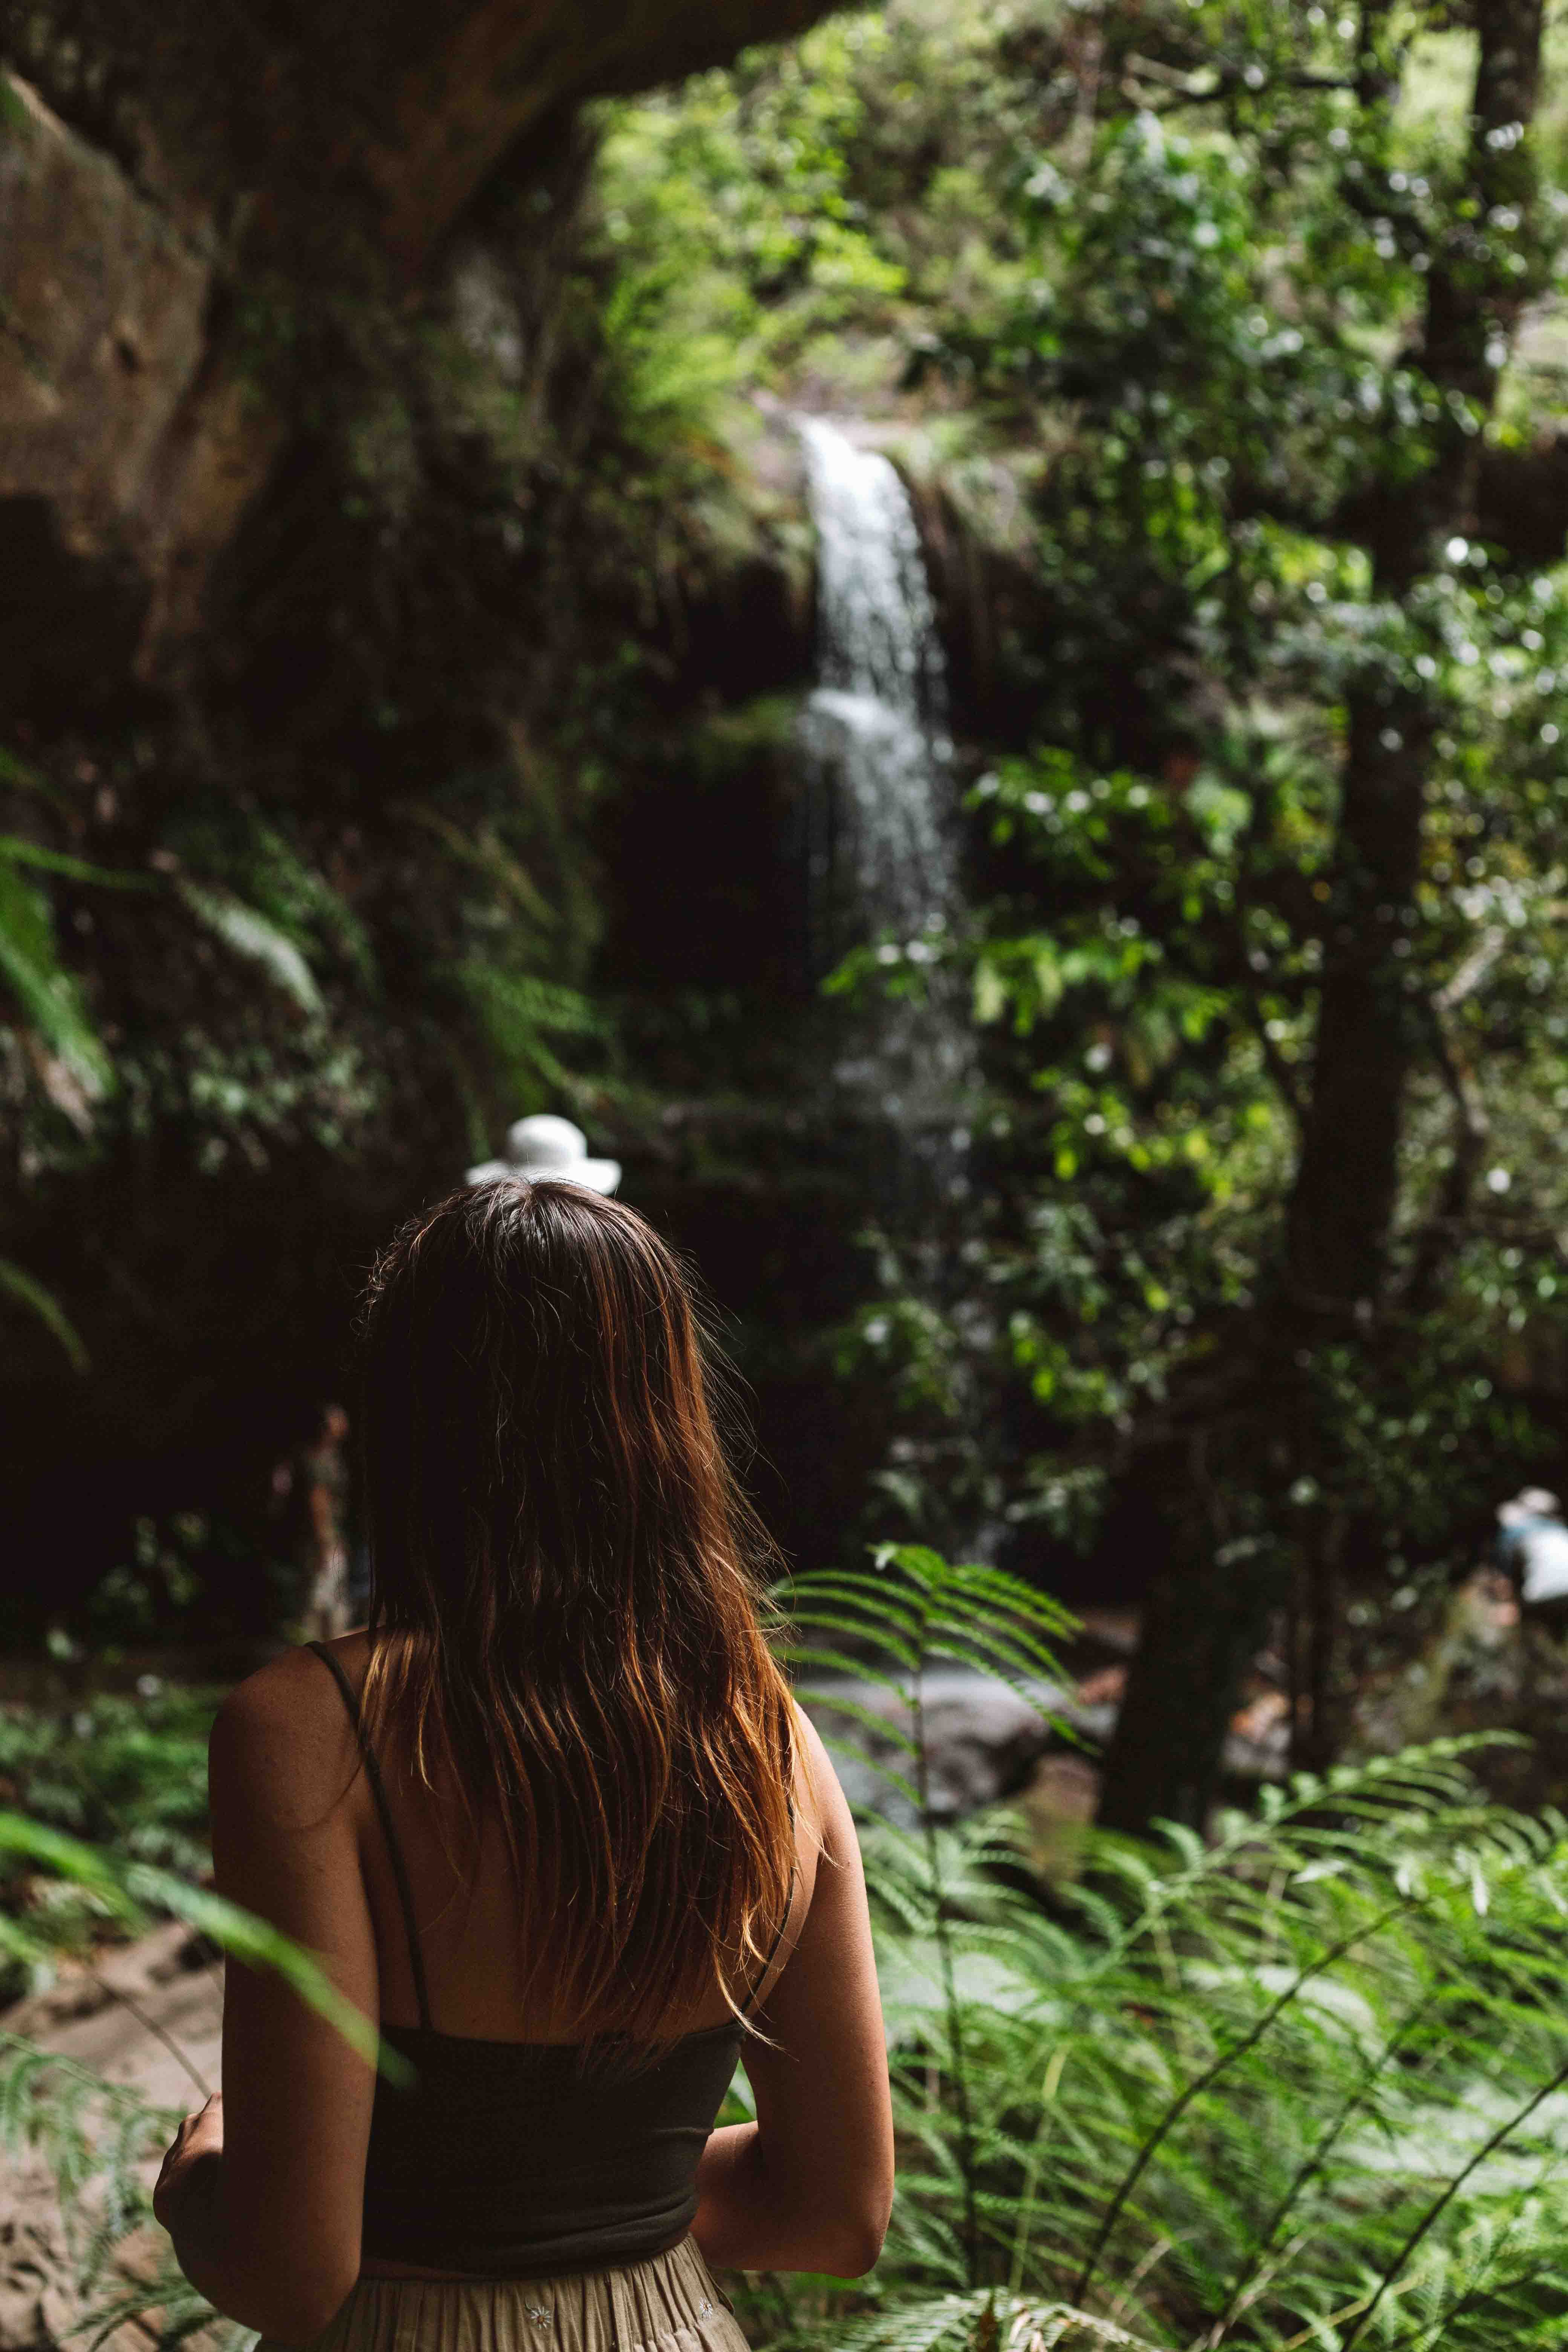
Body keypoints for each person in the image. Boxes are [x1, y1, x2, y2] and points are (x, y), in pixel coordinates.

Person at [152, 1179, 893, 2350]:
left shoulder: (305, 1730)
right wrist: (591, 2197)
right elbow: (838, 2215)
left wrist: (198, 2177)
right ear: (670, 1414)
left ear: (410, 1417)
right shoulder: (771, 1740)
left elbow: (293, 2273)